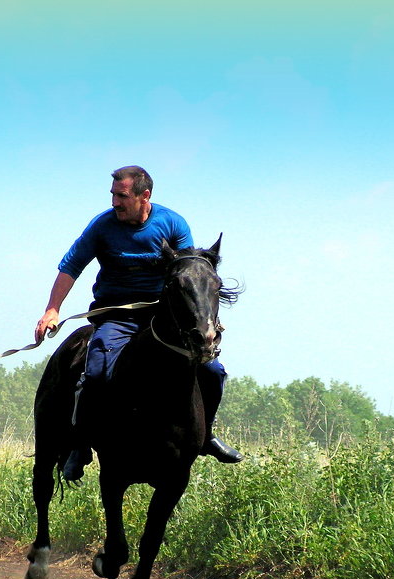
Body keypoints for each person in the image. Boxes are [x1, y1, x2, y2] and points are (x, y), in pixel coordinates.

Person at [34, 165, 242, 481]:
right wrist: (52, 309)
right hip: (114, 316)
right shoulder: (102, 226)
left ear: (145, 196)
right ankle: (81, 443)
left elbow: (190, 274)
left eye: (122, 196)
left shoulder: (172, 223)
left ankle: (206, 436)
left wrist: (203, 319)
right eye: (113, 195)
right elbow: (71, 265)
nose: (115, 203)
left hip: (161, 318)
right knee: (99, 368)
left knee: (213, 371)